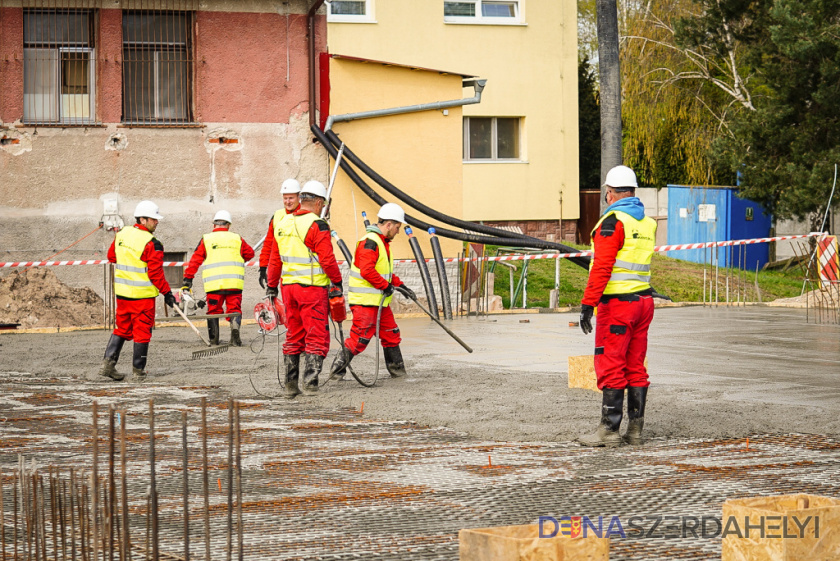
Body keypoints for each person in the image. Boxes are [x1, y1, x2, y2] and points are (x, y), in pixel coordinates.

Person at [577, 165, 657, 447]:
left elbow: (602, 267)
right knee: (635, 364)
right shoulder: (646, 223)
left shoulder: (613, 222)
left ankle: (608, 431)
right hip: (644, 302)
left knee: (611, 362)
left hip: (618, 305)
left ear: (609, 193)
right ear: (633, 192)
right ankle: (635, 431)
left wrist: (588, 303)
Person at [266, 180, 343, 398]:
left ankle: (290, 386)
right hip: (312, 290)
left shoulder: (283, 223)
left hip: (288, 289)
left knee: (294, 334)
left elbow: (275, 259)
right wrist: (337, 281)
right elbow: (327, 260)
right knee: (316, 334)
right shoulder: (317, 225)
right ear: (319, 203)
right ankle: (310, 384)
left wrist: (272, 286)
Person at [330, 203, 416, 380]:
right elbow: (367, 271)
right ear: (389, 224)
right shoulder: (370, 242)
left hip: (378, 303)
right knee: (359, 339)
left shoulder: (381, 243)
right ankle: (336, 372)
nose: (398, 232)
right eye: (398, 227)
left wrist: (402, 286)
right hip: (365, 303)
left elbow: (384, 272)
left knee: (391, 333)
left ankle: (398, 372)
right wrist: (385, 286)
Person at [99, 200, 175, 382]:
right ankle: (138, 372)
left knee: (122, 329)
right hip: (142, 297)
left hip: (123, 295)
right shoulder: (152, 243)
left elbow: (111, 256)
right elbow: (155, 274)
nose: (157, 222)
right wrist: (167, 293)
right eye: (154, 219)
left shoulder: (122, 234)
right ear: (142, 219)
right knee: (142, 333)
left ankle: (108, 365)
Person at [182, 210, 255, 346]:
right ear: (228, 225)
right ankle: (234, 333)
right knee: (234, 310)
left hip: (214, 285)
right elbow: (250, 253)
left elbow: (195, 260)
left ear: (214, 224)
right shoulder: (237, 238)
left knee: (213, 311)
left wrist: (188, 278)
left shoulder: (207, 239)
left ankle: (214, 339)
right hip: (234, 284)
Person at [258, 178, 301, 289]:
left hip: (305, 275)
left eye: (291, 198)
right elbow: (269, 243)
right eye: (285, 198)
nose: (288, 202)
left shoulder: (306, 215)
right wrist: (263, 266)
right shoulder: (277, 216)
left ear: (299, 197)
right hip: (285, 276)